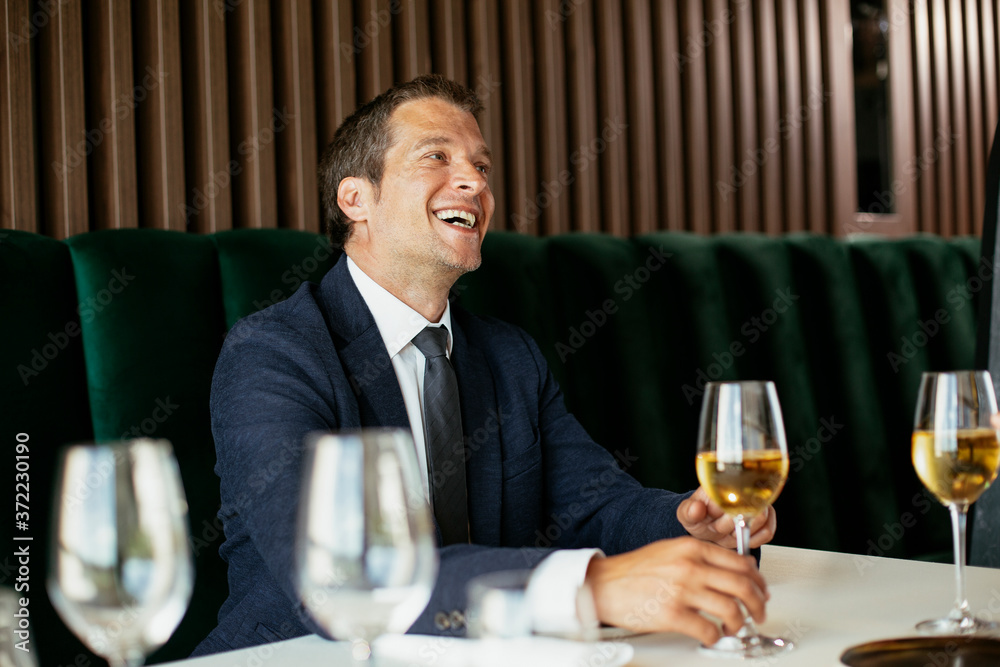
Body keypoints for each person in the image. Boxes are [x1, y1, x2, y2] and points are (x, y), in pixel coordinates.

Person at [191, 74, 776, 656]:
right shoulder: (272, 354)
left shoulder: (509, 356)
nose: (473, 181)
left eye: (481, 166)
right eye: (436, 157)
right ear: (356, 200)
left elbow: (595, 505)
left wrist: (689, 522)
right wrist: (591, 587)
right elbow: (336, 572)